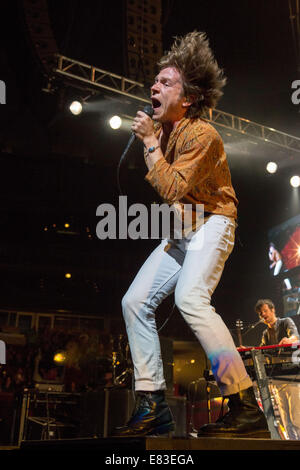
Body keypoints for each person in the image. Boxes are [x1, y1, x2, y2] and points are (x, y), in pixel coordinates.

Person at [114, 31, 269, 438]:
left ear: (188, 98)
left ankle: (244, 403)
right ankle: (152, 404)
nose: (154, 86)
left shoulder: (203, 134)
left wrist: (149, 141)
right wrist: (154, 140)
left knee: (190, 297)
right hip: (184, 227)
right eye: (155, 81)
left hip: (215, 220)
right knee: (134, 301)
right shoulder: (166, 132)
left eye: (166, 83)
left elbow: (169, 187)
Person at [255, 299, 300, 440]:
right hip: (277, 379)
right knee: (285, 417)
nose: (263, 314)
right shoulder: (265, 334)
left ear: (273, 310)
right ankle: (291, 444)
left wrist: (289, 339)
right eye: (260, 313)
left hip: (291, 376)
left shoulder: (286, 321)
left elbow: (295, 337)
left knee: (296, 414)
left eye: (265, 311)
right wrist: (250, 350)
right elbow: (261, 352)